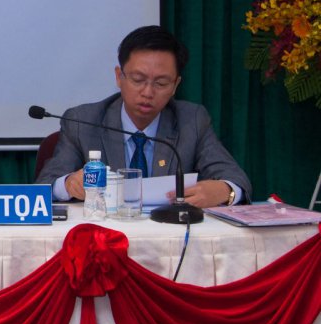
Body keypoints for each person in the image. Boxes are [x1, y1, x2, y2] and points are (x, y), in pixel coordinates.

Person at [37, 25, 251, 207]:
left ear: (175, 85)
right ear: (119, 77)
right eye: (138, 80)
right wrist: (68, 184)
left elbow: (237, 179)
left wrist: (226, 191)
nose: (148, 92)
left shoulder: (192, 120)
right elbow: (43, 186)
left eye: (161, 83)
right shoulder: (83, 121)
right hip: (105, 236)